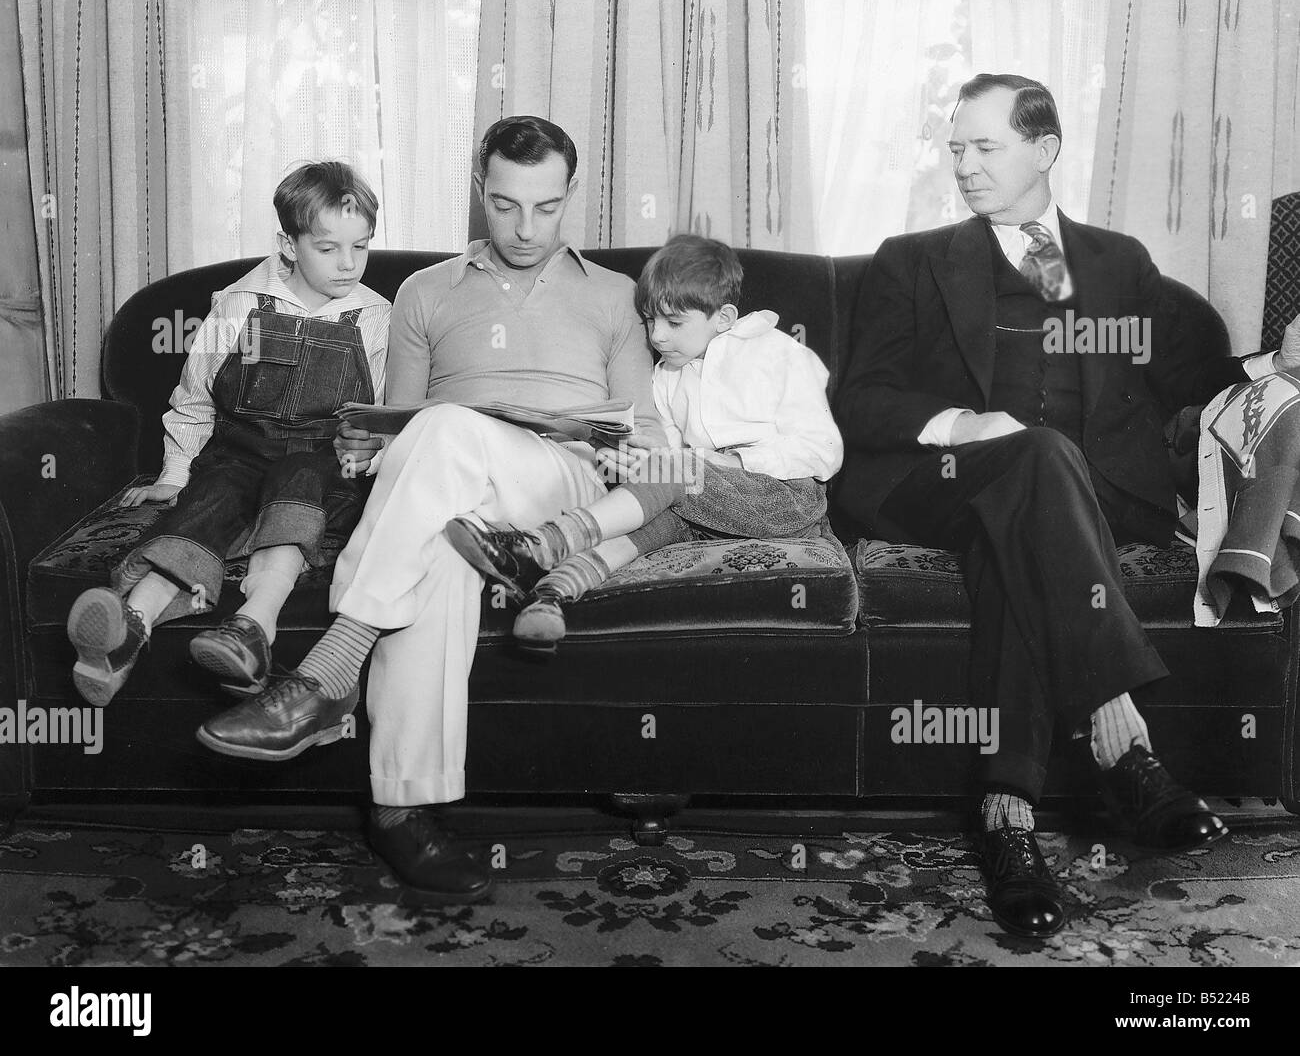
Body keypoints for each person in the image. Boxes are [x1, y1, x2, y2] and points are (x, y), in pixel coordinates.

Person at [834, 73, 1300, 939]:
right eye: (956, 148)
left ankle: (1007, 814)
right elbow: (859, 399)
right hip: (936, 485)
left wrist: (1281, 368)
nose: (963, 165)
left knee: (1024, 534)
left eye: (985, 147)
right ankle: (1124, 742)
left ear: (1044, 150)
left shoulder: (1117, 262)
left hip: (1086, 500)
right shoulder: (913, 258)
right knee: (1038, 459)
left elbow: (1194, 380)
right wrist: (965, 421)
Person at [193, 117, 665, 904]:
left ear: (570, 196)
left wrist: (593, 438)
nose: (524, 227)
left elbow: (646, 442)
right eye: (506, 204)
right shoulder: (423, 292)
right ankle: (402, 810)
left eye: (546, 208)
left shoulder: (618, 296)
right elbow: (396, 433)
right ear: (480, 190)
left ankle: (325, 673)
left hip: (560, 476)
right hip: (449, 483)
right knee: (439, 529)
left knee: (447, 433)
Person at [67, 161, 390, 706]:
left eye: (360, 248)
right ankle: (131, 626)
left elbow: (383, 418)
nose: (347, 264)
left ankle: (252, 625)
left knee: (298, 474)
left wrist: (372, 448)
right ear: (289, 244)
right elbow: (193, 398)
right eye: (328, 247)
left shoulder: (375, 317)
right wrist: (173, 476)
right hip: (239, 453)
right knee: (211, 495)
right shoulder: (236, 306)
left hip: (322, 465)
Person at [443, 232, 843, 652]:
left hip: (788, 502)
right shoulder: (668, 375)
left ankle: (547, 541)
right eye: (651, 321)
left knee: (672, 473)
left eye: (673, 322)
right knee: (651, 521)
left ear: (722, 317)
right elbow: (666, 455)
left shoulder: (779, 355)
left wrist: (730, 462)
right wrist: (634, 462)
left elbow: (823, 451)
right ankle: (550, 597)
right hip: (710, 505)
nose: (657, 337)